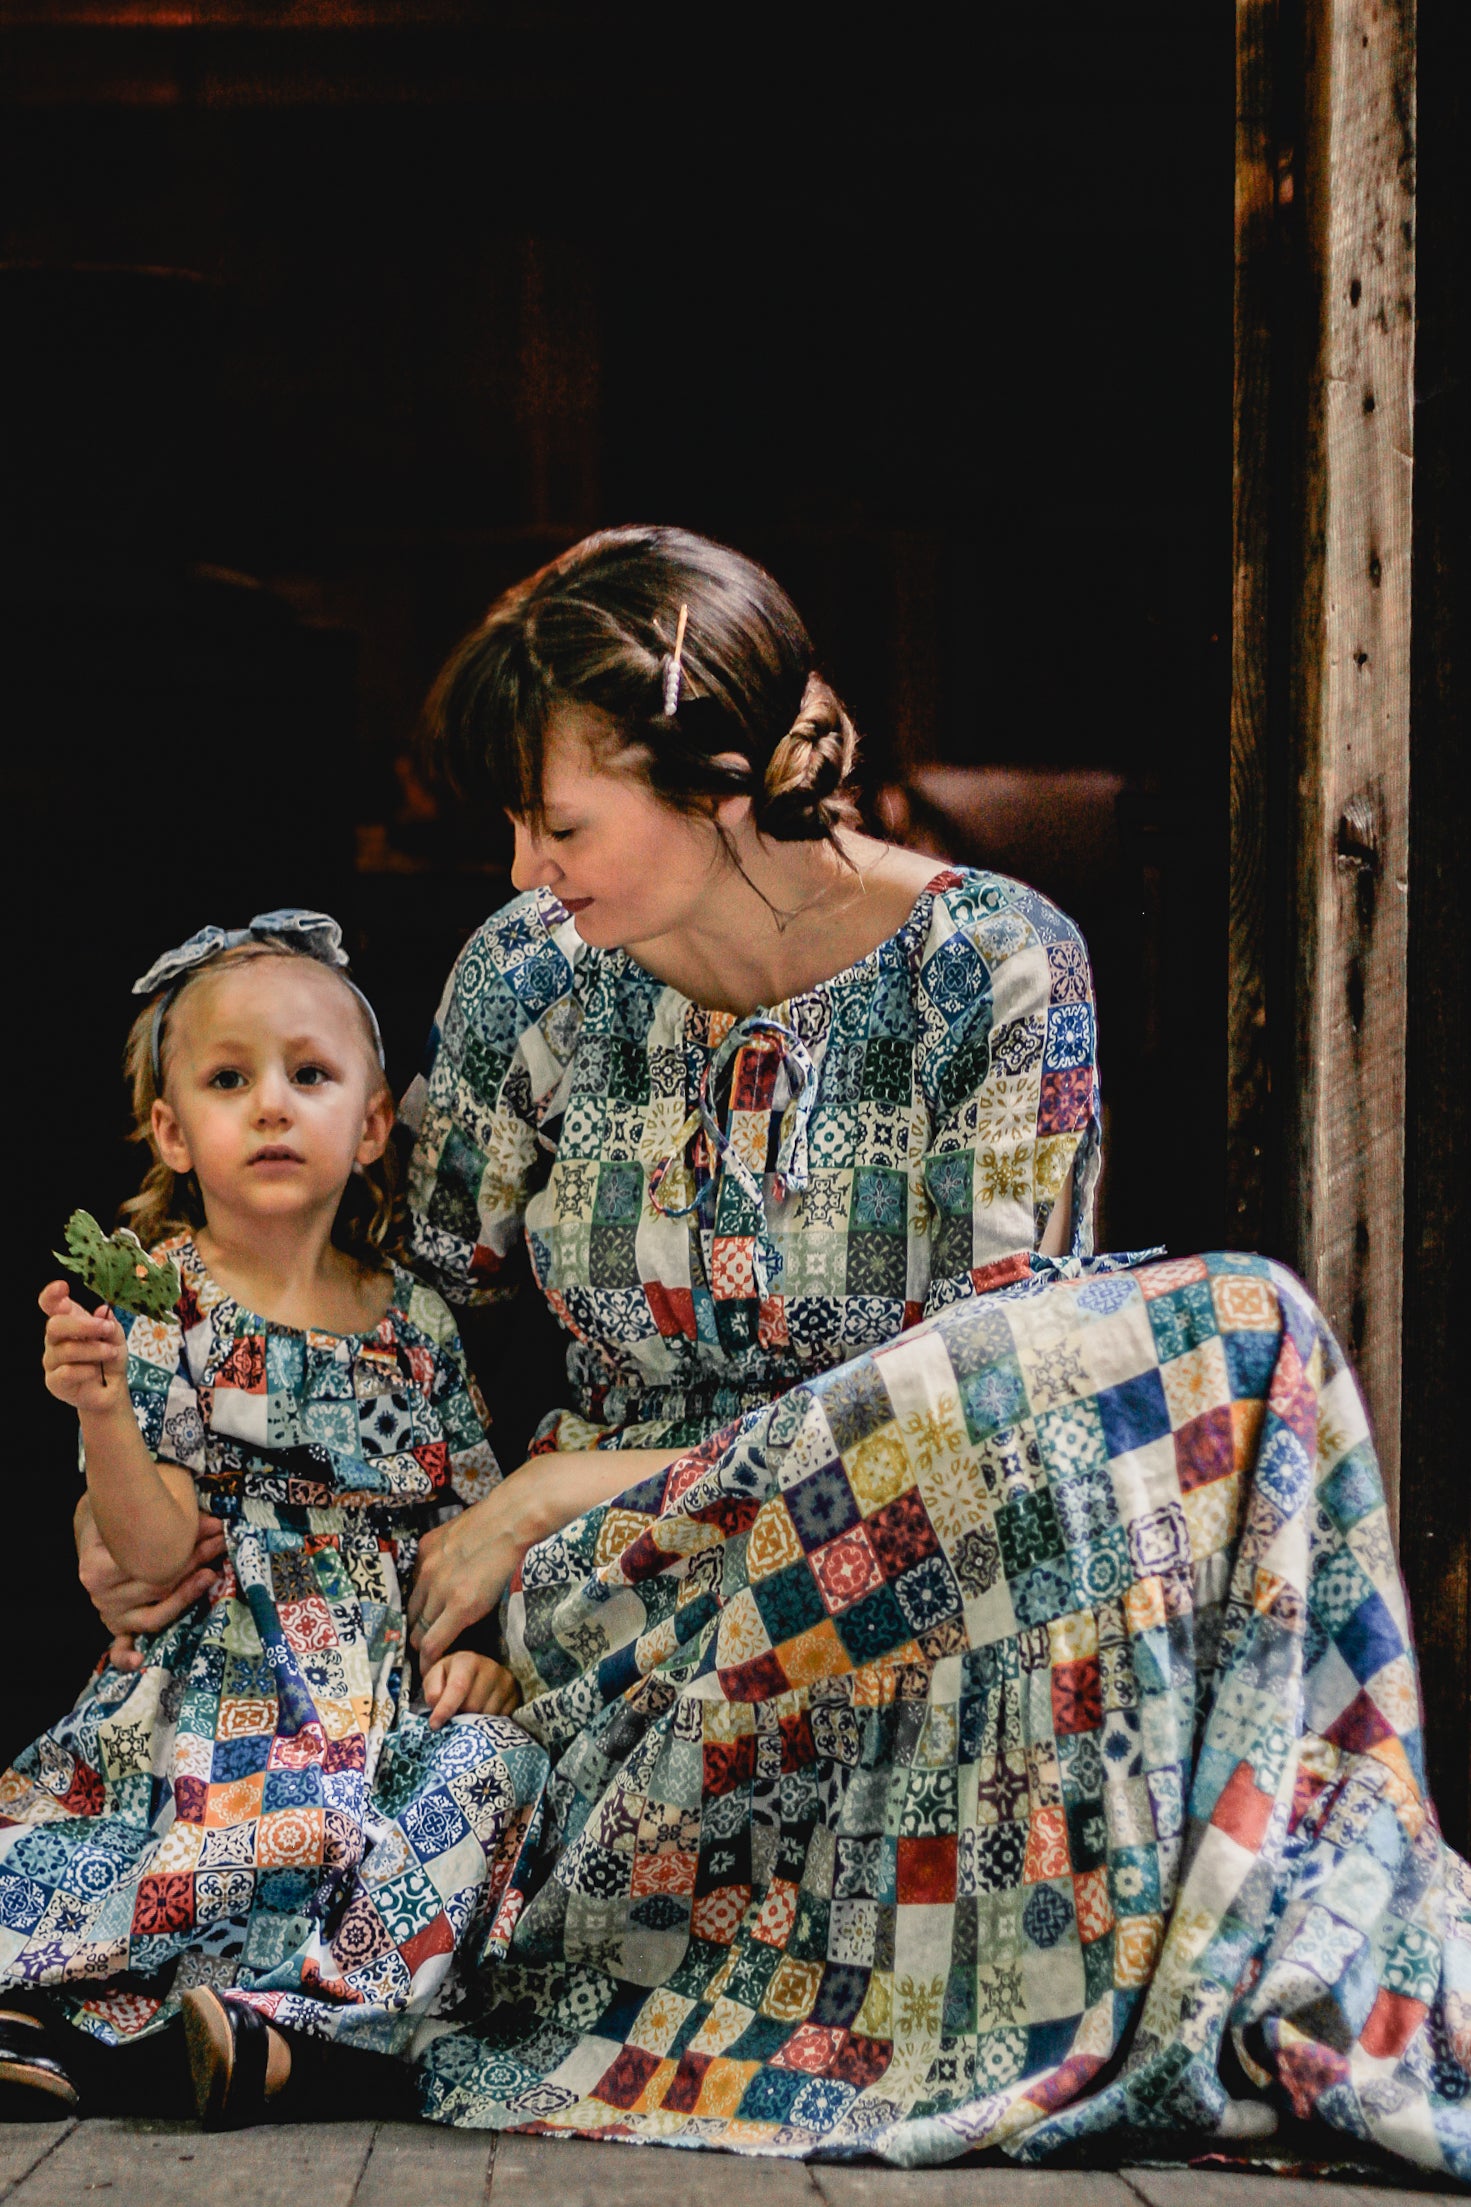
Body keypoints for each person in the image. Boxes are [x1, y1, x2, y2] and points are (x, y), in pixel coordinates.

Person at [71, 532, 1471, 2178]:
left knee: (1229, 1329)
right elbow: (389, 1313)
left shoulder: (994, 963)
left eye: (560, 823)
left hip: (919, 1550)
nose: (523, 865)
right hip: (625, 1588)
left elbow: (998, 1387)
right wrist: (161, 1486)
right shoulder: (528, 979)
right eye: (514, 823)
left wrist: (553, 1485)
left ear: (718, 785)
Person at [0, 912, 540, 2130]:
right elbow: (153, 1552)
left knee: (494, 1772)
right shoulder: (162, 1301)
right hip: (224, 1677)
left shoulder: (415, 1322)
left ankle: (301, 2020)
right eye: (229, 1080)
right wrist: (103, 1412)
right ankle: (63, 2013)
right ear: (171, 1130)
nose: (273, 1106)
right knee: (219, 1823)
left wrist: (478, 1653)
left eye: (310, 1074)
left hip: (387, 1688)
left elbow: (471, 1522)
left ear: (374, 1122)